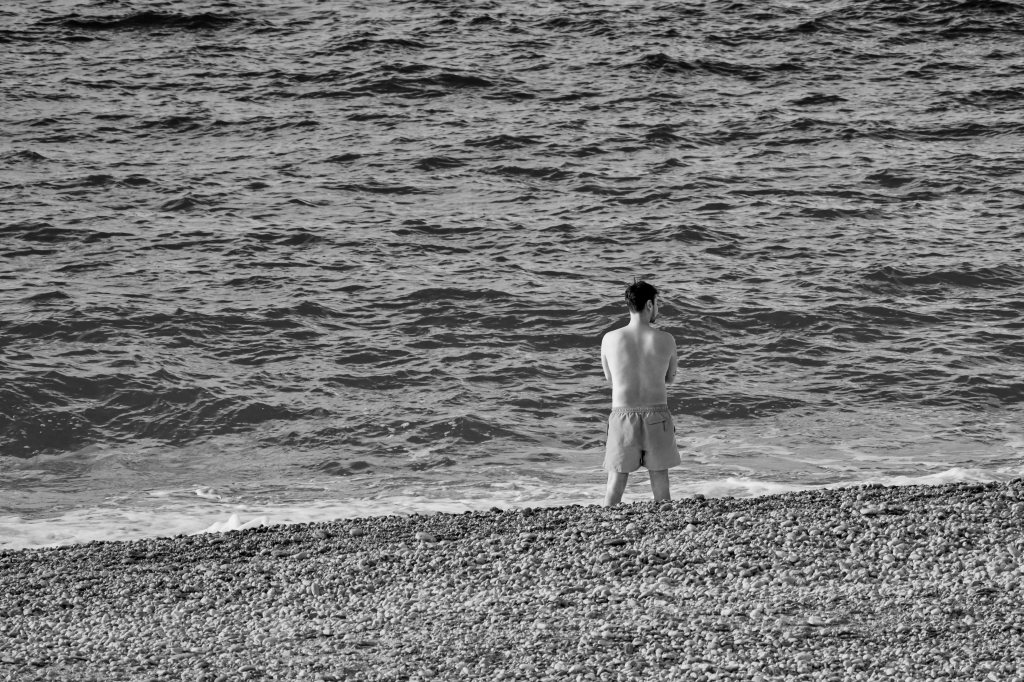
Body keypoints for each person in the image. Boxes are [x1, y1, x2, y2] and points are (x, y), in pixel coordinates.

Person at [600, 280, 680, 506]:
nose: (658, 308)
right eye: (657, 303)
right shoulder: (666, 339)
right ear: (649, 305)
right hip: (657, 415)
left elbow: (610, 378)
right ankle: (665, 520)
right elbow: (670, 378)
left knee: (616, 480)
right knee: (660, 478)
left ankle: (605, 519)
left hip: (623, 415)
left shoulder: (610, 339)